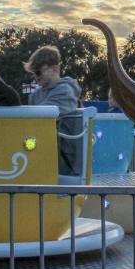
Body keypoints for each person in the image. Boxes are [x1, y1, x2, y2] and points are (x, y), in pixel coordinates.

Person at [24, 45, 82, 176]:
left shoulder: (65, 91)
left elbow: (42, 116)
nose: (35, 77)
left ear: (55, 68)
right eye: (33, 73)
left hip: (62, 156)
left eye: (38, 72)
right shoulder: (35, 95)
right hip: (40, 151)